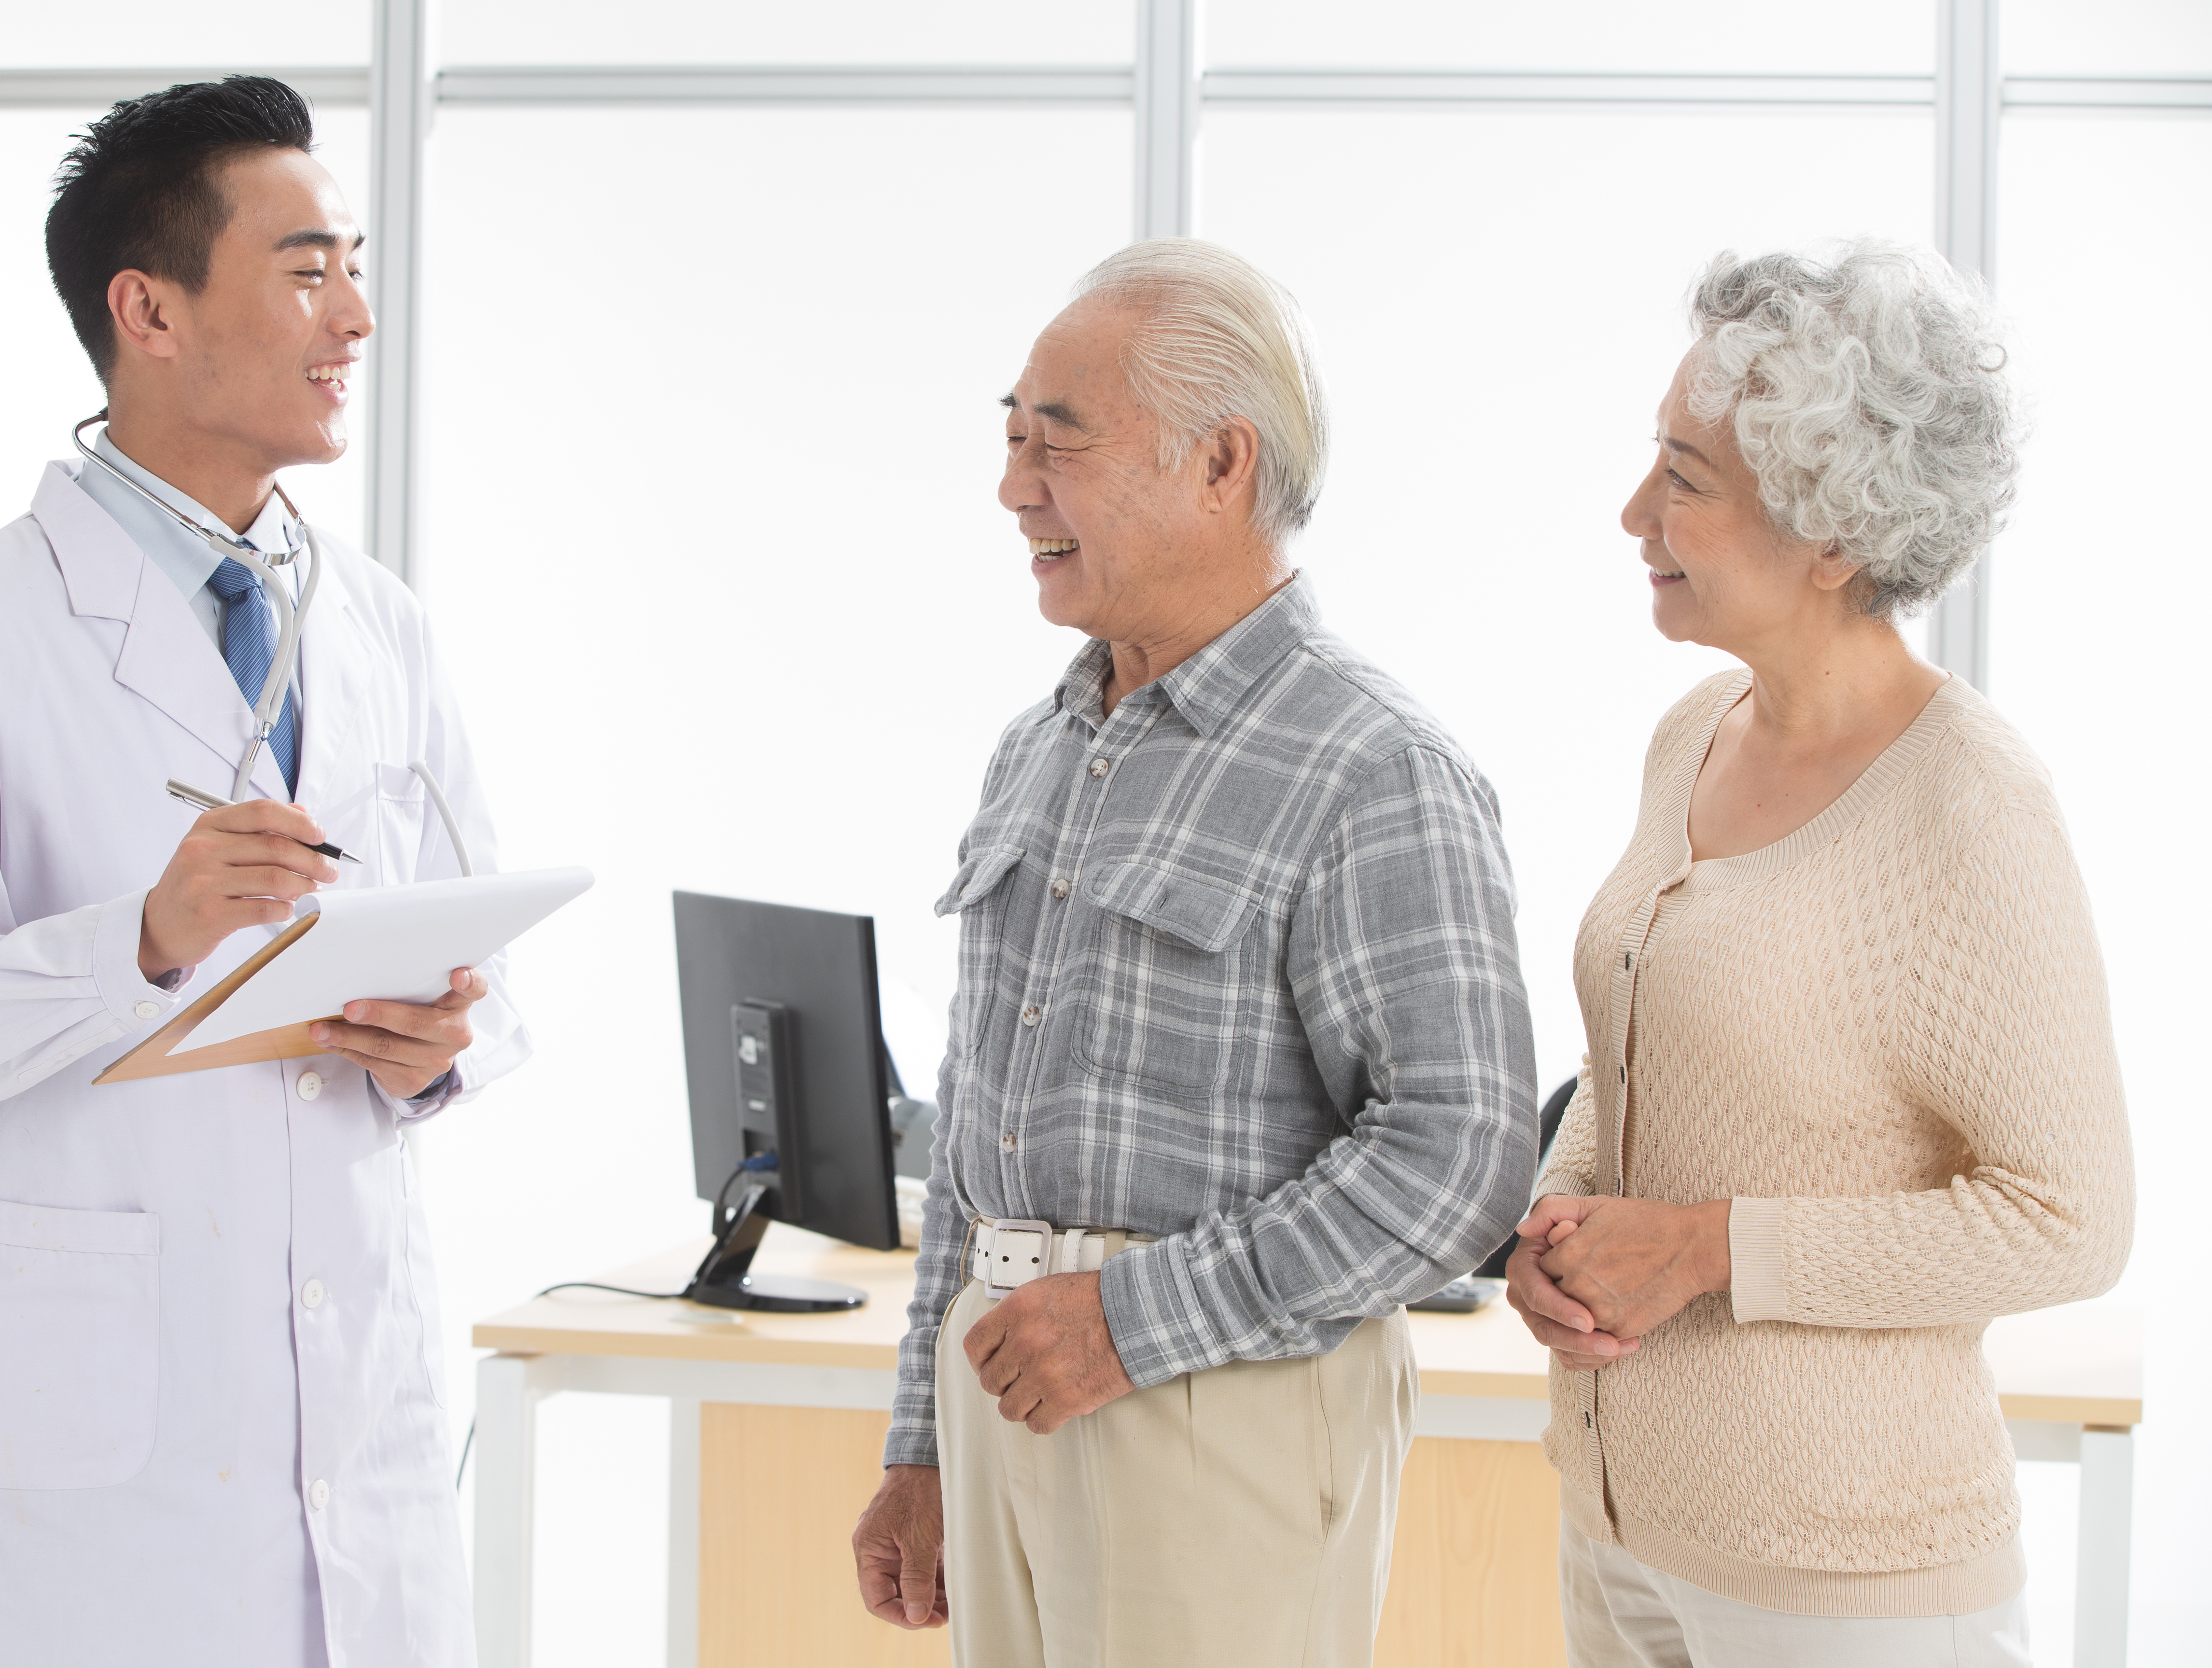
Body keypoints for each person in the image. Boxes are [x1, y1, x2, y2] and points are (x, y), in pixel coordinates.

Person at [0, 78, 524, 1667]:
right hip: (98, 1499)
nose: (356, 316)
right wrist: (133, 940)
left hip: (358, 1433)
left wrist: (444, 1043)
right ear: (150, 310)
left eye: (353, 268)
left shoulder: (379, 623)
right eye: (306, 269)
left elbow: (489, 972)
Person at [849, 239, 1539, 1667]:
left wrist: (1131, 1322)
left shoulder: (1374, 766)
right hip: (1006, 1392)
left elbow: (1461, 1160)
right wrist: (923, 1433)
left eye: (1062, 440)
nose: (1012, 485)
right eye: (1010, 436)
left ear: (1222, 465)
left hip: (1219, 1401)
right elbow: (982, 1129)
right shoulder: (1039, 747)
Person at [1506, 242, 2133, 1666]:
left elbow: (2070, 1219)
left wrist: (1713, 1250)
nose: (1632, 512)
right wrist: (1555, 1221)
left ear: (1835, 533)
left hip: (1851, 1580)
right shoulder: (1693, 735)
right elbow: (1637, 1056)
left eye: (1686, 478)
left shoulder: (1970, 802)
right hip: (1621, 1531)